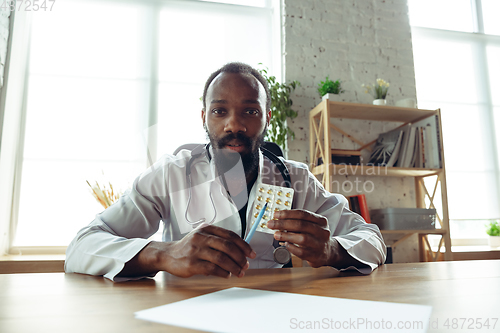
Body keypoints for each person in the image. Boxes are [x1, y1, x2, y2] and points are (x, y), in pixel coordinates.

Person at [65, 62, 386, 281]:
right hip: (185, 315)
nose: (234, 124)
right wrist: (161, 254)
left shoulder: (296, 178)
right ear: (204, 117)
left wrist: (332, 250)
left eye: (250, 110)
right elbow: (81, 247)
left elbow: (372, 239)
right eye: (220, 111)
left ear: (267, 118)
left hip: (274, 313)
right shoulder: (170, 174)